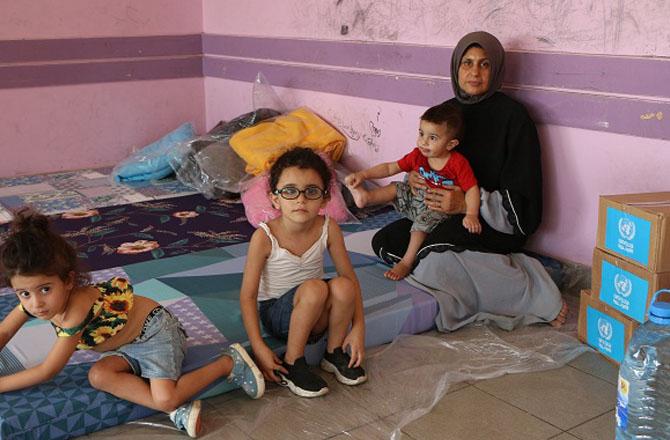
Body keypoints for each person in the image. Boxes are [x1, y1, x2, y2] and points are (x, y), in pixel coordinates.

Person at [0, 208, 265, 438]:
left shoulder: (75, 310)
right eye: (24, 293)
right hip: (126, 346)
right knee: (98, 376)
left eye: (45, 289)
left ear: (68, 281)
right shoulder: (35, 301)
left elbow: (48, 370)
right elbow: (6, 329)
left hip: (156, 333)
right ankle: (176, 409)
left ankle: (228, 363)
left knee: (166, 396)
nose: (35, 303)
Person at [371, 31, 568, 330]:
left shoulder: (514, 118)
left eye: (485, 64)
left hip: (491, 222)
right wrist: (416, 177)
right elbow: (425, 157)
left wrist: (465, 203)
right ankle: (482, 280)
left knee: (434, 261)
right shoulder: (448, 115)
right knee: (386, 241)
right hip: (440, 218)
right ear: (456, 67)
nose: (474, 72)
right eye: (467, 63)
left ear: (496, 69)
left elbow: (524, 204)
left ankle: (533, 291)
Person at [239, 147, 367, 398]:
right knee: (316, 287)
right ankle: (293, 362)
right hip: (278, 315)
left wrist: (359, 326)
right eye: (289, 191)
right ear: (274, 198)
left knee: (343, 285)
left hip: (315, 312)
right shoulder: (264, 237)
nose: (300, 200)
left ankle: (333, 353)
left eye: (311, 191)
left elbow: (350, 277)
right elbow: (247, 296)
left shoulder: (329, 228)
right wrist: (259, 345)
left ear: (325, 198)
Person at [345, 103, 480, 281]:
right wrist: (364, 175)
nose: (423, 141)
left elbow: (472, 189)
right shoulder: (418, 155)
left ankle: (406, 262)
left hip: (438, 209)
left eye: (432, 137)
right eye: (421, 133)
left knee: (419, 226)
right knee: (397, 188)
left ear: (451, 144)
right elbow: (390, 167)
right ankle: (366, 197)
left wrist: (471, 214)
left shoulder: (457, 163)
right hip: (417, 201)